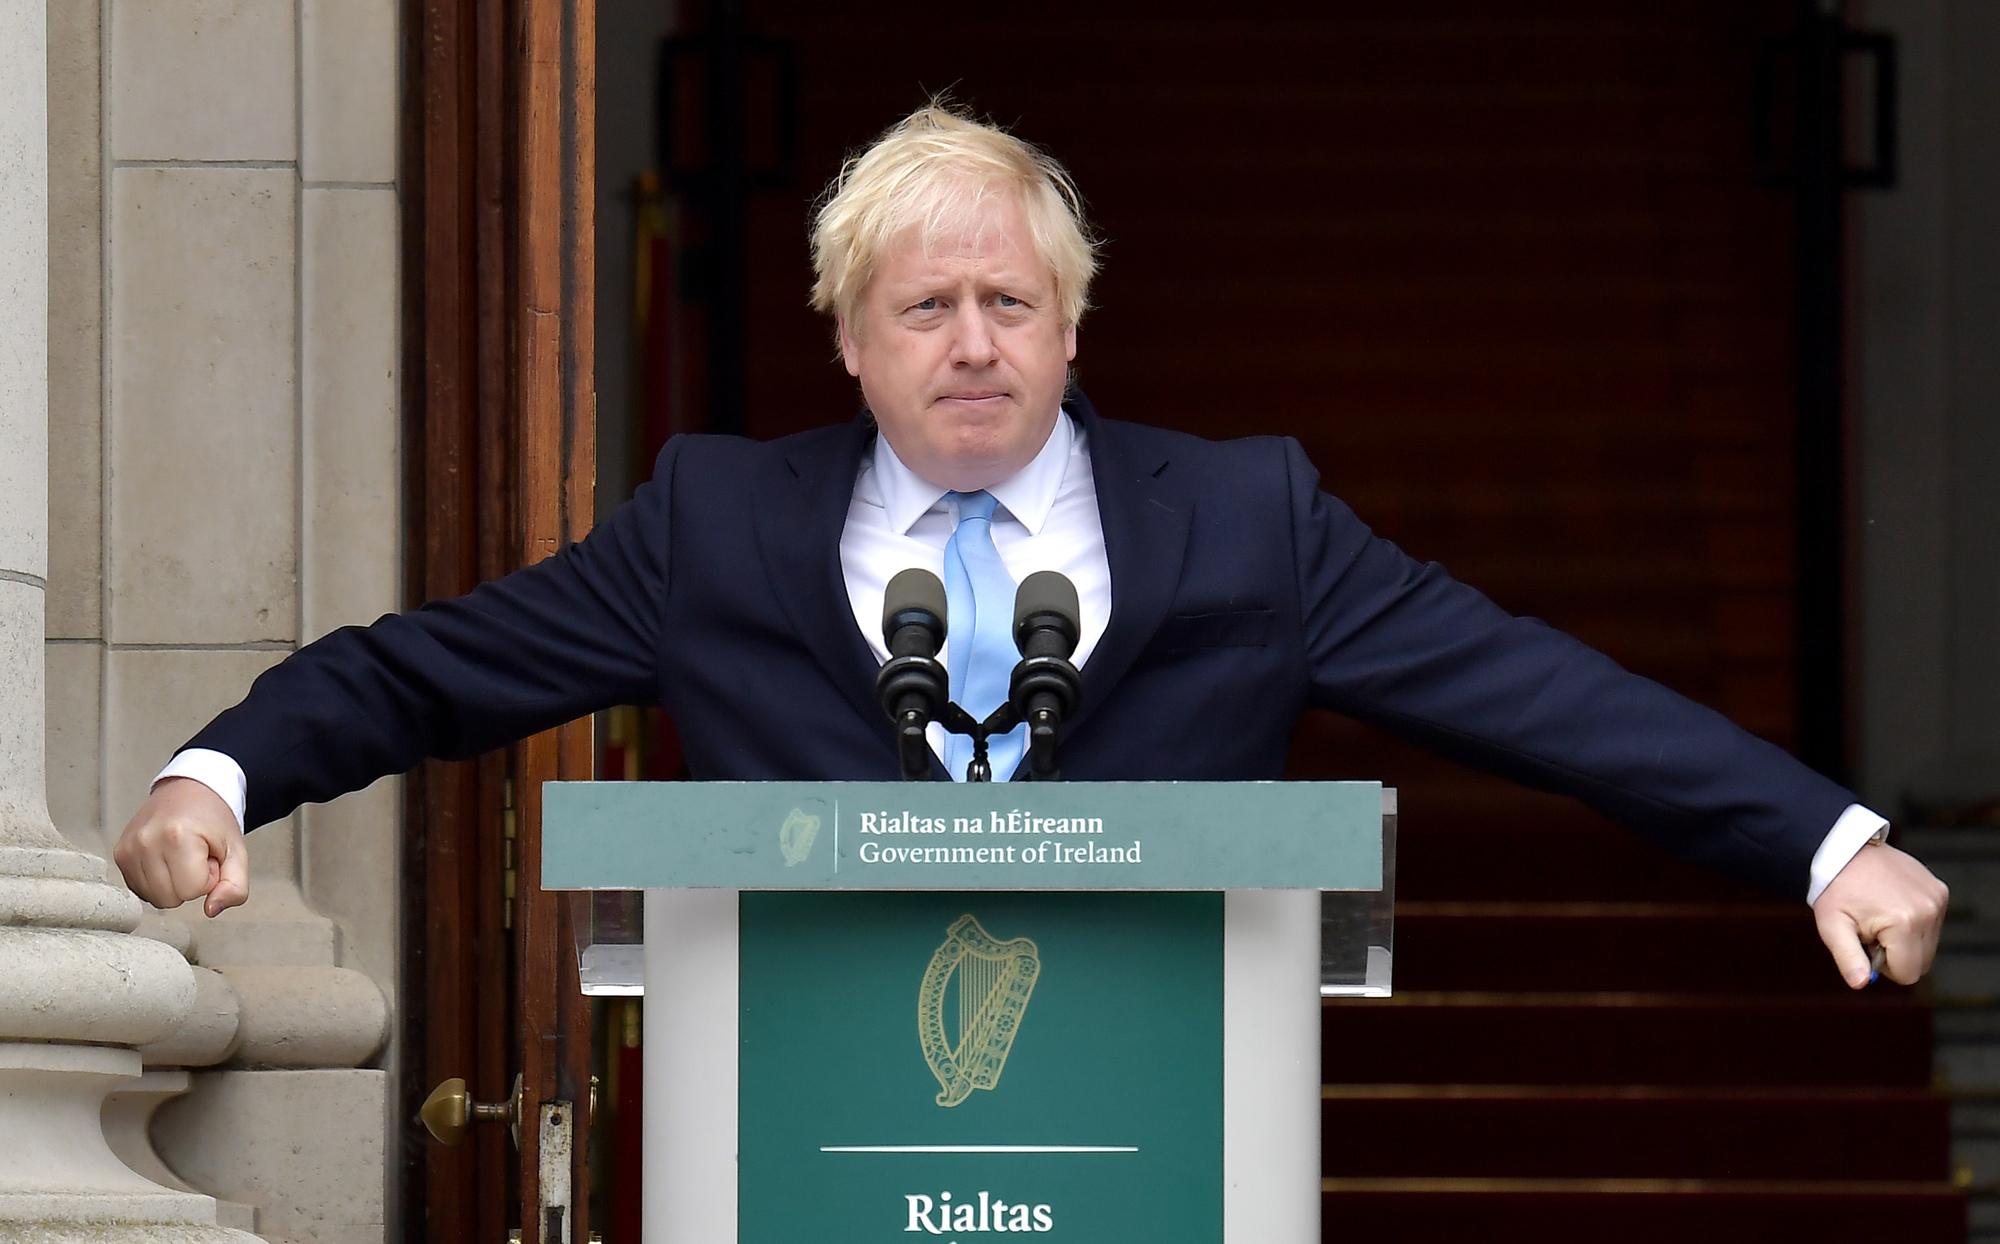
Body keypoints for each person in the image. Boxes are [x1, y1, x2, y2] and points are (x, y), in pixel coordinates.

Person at [113, 102, 1946, 991]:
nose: (972, 341)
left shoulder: (1247, 519)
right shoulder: (716, 526)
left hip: (1162, 1126)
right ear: (847, 337)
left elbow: (1537, 692)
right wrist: (222, 774)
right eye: (925, 306)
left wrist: (1825, 842)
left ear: (1075, 325)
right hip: (811, 1137)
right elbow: (429, 668)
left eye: (1011, 298)